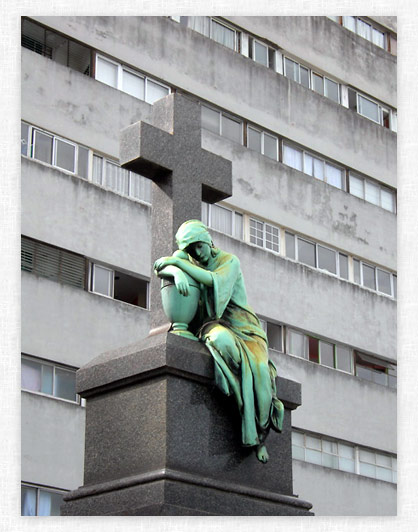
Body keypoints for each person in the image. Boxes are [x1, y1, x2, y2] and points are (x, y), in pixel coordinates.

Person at [154, 220, 284, 463]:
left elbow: (211, 280)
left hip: (245, 328)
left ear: (208, 241)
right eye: (190, 250)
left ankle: (262, 432)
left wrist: (179, 263)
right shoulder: (187, 260)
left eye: (199, 247)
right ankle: (244, 410)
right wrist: (174, 269)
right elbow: (159, 265)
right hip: (214, 325)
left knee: (258, 370)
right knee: (221, 343)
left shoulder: (229, 261)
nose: (196, 253)